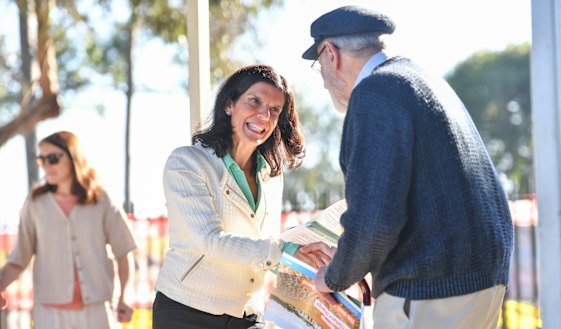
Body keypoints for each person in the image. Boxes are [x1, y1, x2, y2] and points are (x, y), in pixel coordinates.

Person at [300, 6, 514, 329]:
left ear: (331, 54)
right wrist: (349, 259)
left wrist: (331, 277)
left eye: (318, 65)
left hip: (431, 290)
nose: (324, 82)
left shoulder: (374, 92)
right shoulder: (421, 80)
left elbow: (375, 221)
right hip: (480, 283)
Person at [152, 64, 333, 329]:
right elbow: (209, 241)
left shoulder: (271, 177)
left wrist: (307, 263)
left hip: (246, 316)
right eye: (254, 101)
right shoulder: (187, 163)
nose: (264, 115)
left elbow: (264, 249)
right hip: (185, 313)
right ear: (229, 105)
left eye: (274, 110)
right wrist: (284, 251)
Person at [0, 131, 137, 328]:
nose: (47, 165)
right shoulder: (34, 203)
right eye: (41, 160)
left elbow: (124, 252)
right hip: (49, 314)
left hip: (98, 311)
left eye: (53, 158)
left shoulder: (101, 200)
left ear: (74, 157)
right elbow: (18, 260)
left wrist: (125, 297)